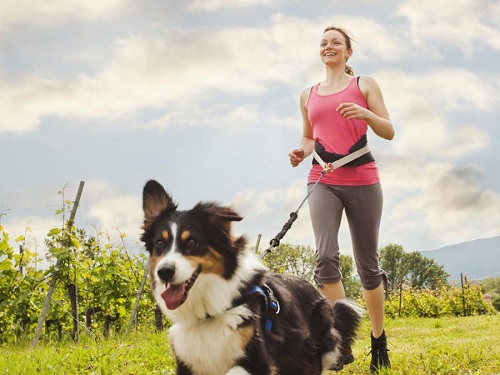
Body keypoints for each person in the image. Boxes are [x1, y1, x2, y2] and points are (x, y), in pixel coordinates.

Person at [288, 26, 395, 373]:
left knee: (368, 265)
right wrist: (300, 152)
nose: (328, 46)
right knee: (325, 257)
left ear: (348, 52)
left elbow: (389, 130)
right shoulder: (308, 94)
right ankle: (341, 341)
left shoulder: (364, 84)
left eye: (336, 42)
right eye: (323, 43)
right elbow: (309, 137)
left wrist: (365, 114)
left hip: (362, 177)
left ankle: (378, 340)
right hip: (322, 178)